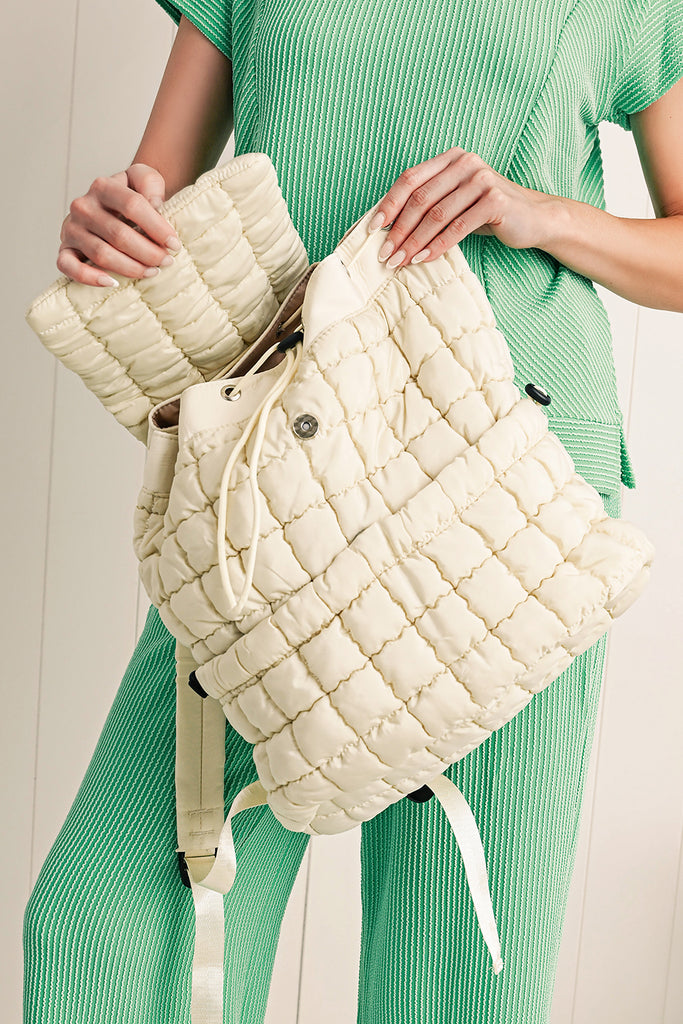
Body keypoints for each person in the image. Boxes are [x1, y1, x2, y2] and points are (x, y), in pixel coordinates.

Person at [23, 3, 683, 1023]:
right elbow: (158, 195)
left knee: (451, 988)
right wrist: (115, 224)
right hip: (274, 478)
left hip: (513, 485)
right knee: (106, 934)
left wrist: (537, 213)